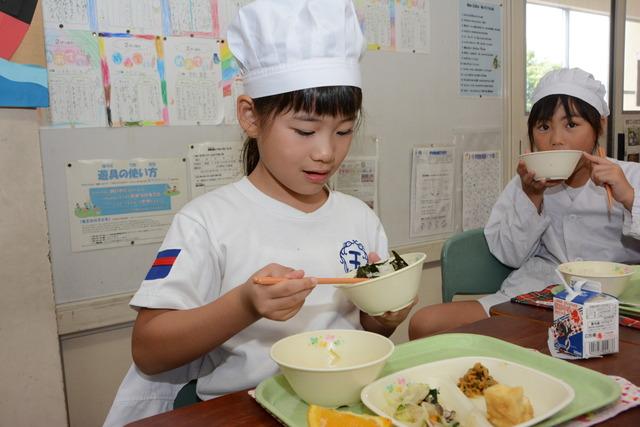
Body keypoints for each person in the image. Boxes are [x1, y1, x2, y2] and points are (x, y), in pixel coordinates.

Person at [105, 1, 414, 425]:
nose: (326, 152)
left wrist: (383, 318)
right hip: (245, 409)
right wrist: (245, 304)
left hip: (349, 406)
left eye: (343, 131)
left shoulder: (359, 217)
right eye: (304, 131)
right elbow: (150, 350)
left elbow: (367, 333)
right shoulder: (207, 221)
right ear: (251, 117)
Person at [409, 67, 640, 339]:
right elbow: (509, 254)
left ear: (599, 125)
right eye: (544, 127)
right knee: (425, 323)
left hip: (610, 304)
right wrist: (532, 197)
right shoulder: (526, 182)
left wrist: (629, 198)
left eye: (571, 125)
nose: (556, 139)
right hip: (535, 295)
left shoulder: (631, 177)